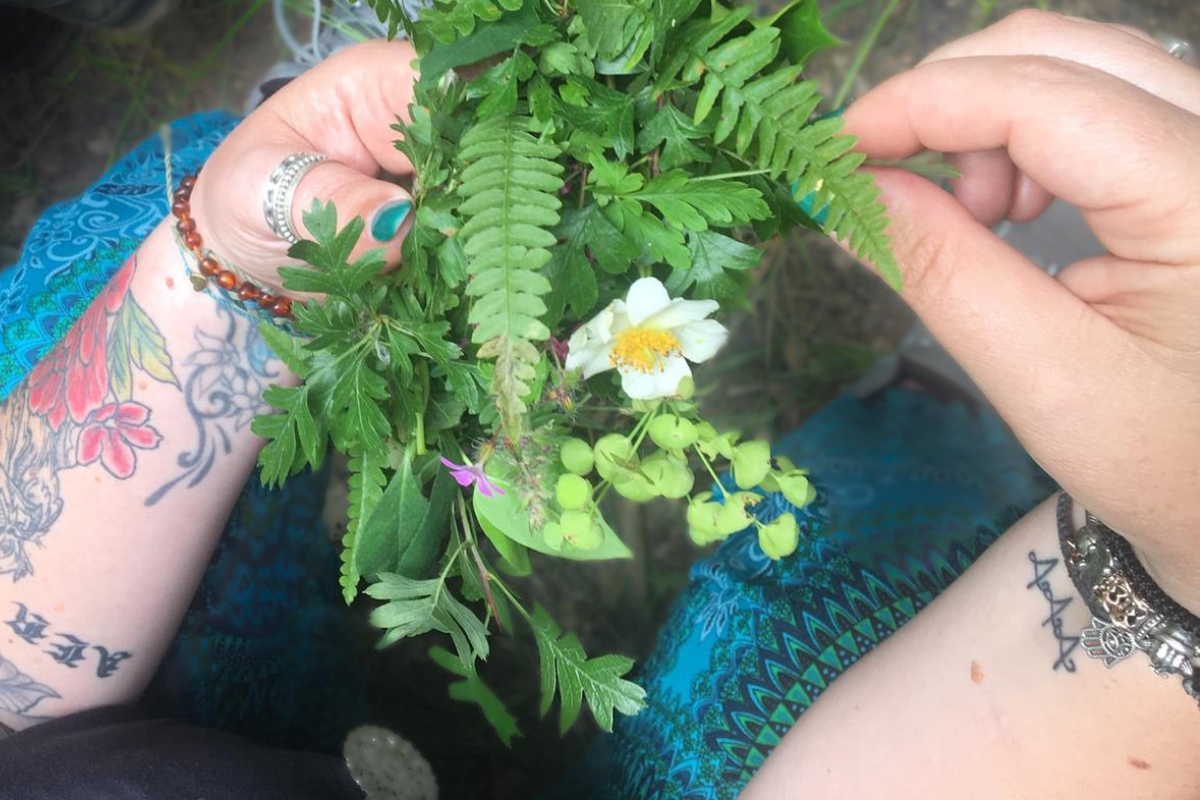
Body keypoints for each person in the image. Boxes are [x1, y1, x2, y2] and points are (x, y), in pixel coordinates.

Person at [0, 8, 1196, 799]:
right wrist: (1174, 586)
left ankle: (328, 174)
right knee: (842, 580)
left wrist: (219, 259)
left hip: (89, 735)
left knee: (132, 243)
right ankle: (943, 421)